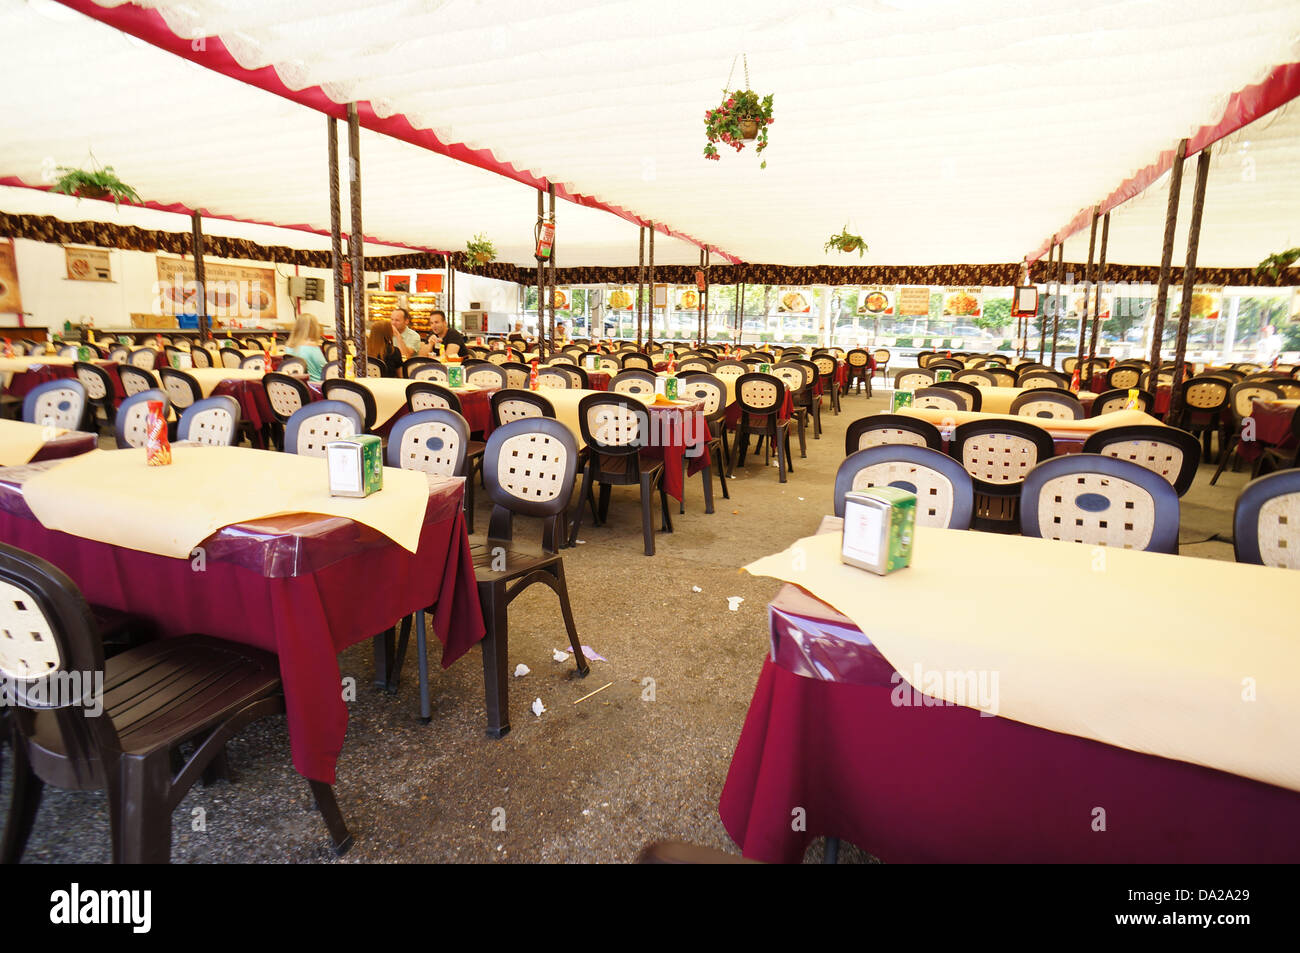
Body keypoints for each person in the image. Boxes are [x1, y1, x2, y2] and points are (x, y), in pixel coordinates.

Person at [284, 313, 327, 381]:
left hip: (298, 384)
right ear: (313, 328)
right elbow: (325, 370)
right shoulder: (311, 347)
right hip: (315, 386)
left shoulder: (288, 346)